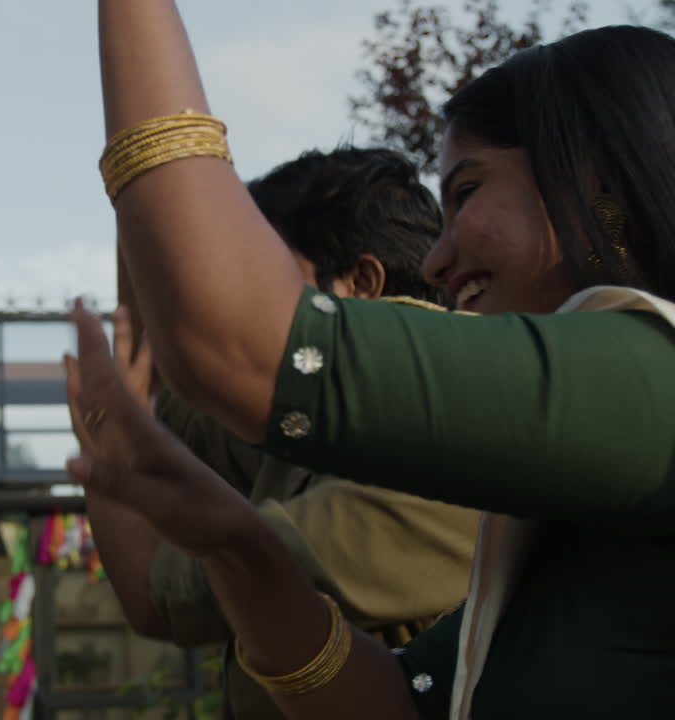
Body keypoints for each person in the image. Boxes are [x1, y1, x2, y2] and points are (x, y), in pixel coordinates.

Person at [69, 5, 675, 719]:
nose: (437, 258)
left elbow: (228, 340)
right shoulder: (558, 516)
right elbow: (394, 705)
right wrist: (236, 544)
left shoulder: (652, 383)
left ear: (592, 182)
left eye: (469, 190)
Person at [84, 148, 478, 720]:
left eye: (263, 277)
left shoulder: (438, 433)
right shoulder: (314, 420)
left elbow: (159, 597)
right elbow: (166, 383)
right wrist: (144, 177)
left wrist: (104, 436)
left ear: (358, 283)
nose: (241, 302)